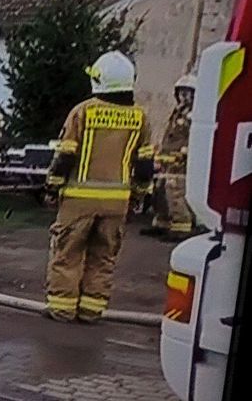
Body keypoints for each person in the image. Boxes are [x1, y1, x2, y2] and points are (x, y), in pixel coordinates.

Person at [43, 51, 154, 323]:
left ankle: (62, 308)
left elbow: (65, 156)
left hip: (79, 201)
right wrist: (139, 194)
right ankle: (92, 310)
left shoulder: (83, 112)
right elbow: (145, 165)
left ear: (99, 79)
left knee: (67, 254)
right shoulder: (141, 117)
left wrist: (51, 187)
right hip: (117, 203)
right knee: (103, 257)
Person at [142, 74, 197, 241]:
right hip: (167, 159)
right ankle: (162, 223)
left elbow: (194, 137)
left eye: (187, 92)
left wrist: (185, 153)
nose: (184, 96)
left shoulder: (195, 114)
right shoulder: (178, 111)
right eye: (181, 92)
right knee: (159, 192)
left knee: (175, 193)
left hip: (179, 162)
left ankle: (181, 227)